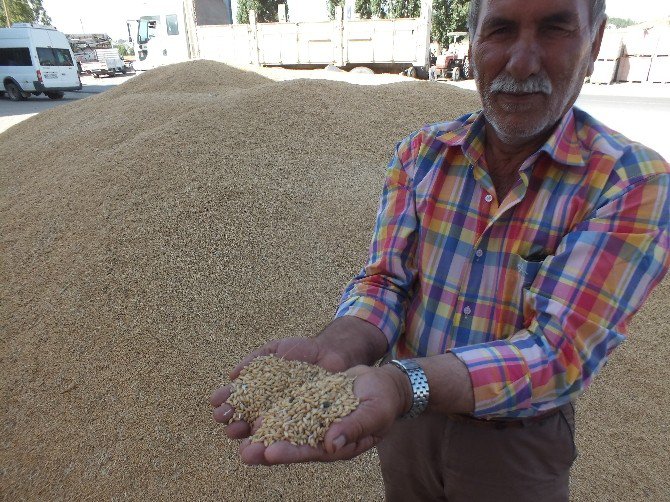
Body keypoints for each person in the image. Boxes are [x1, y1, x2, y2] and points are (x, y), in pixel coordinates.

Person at [211, 0, 670, 499]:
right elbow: (387, 281)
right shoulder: (421, 155)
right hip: (403, 422)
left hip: (515, 443)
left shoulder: (630, 183)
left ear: (594, 41)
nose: (521, 61)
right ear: (473, 42)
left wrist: (406, 384)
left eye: (555, 29)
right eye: (500, 30)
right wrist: (337, 346)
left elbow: (558, 352)